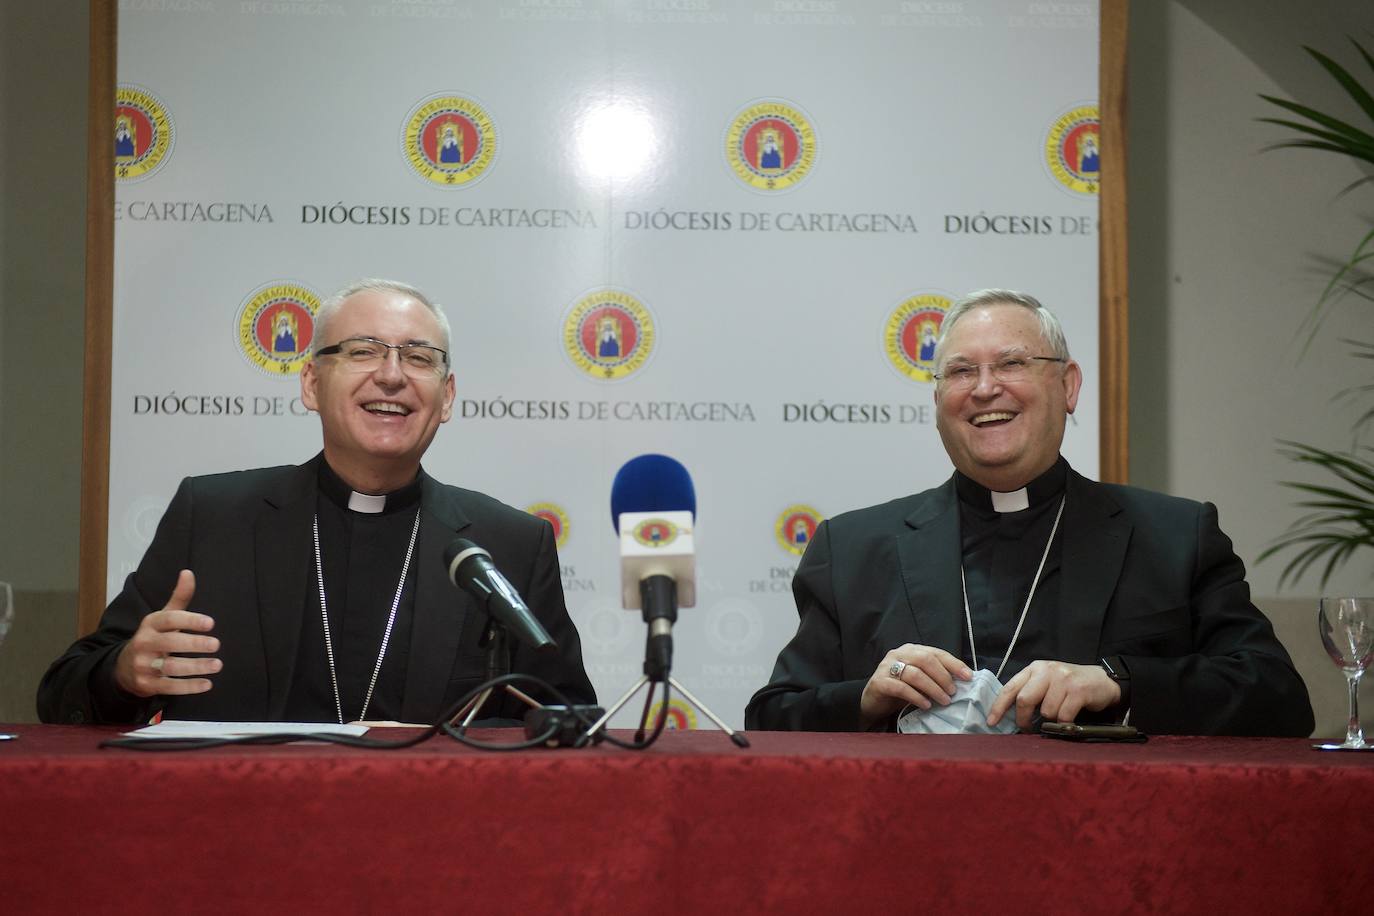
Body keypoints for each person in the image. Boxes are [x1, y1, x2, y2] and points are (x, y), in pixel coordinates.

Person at [746, 289, 1313, 736]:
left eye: (1012, 363)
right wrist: (867, 699)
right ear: (938, 400)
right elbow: (770, 717)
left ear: (1067, 385)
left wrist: (1119, 682)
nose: (986, 389)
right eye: (961, 372)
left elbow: (1278, 698)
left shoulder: (1175, 536)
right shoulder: (850, 548)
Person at [39, 279, 595, 725]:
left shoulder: (510, 545)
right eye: (363, 351)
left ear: (446, 397)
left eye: (420, 358)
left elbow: (568, 718)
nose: (392, 375)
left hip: (432, 844)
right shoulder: (211, 516)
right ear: (311, 383)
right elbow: (63, 692)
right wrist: (124, 673)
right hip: (237, 838)